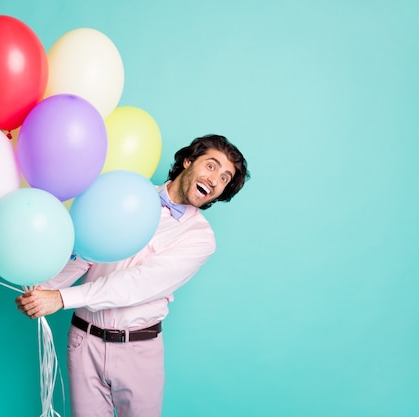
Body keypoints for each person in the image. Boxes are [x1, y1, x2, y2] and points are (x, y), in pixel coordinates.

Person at [16, 134, 249, 417]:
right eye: (211, 166)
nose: (214, 180)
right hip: (83, 341)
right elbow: (86, 252)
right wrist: (43, 288)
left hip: (138, 350)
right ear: (188, 161)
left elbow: (138, 283)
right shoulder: (126, 195)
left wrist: (61, 298)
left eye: (225, 178)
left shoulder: (200, 238)